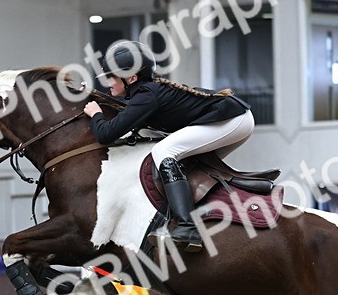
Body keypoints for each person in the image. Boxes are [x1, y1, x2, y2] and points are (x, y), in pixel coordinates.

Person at [83, 40, 254, 252]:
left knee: (164, 152)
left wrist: (96, 114)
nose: (108, 82)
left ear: (131, 78)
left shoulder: (146, 95)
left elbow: (106, 134)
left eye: (112, 76)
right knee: (185, 161)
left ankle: (187, 227)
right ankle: (200, 215)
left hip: (233, 120)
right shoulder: (144, 93)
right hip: (232, 119)